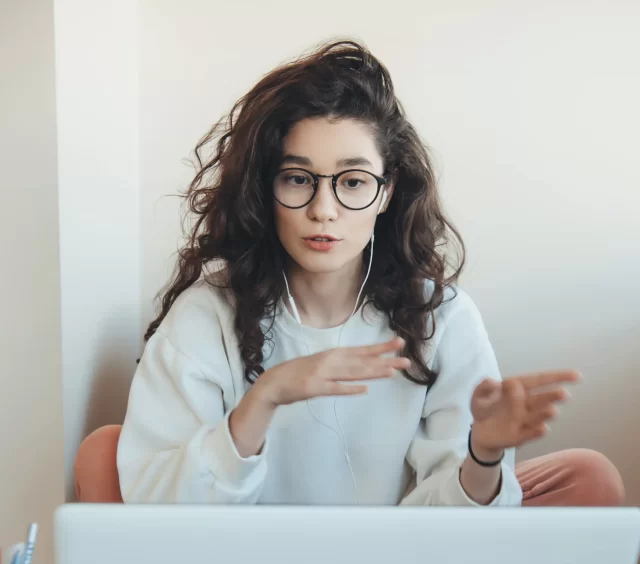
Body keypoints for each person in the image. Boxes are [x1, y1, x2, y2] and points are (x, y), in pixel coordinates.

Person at [81, 40, 624, 508]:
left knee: (588, 477)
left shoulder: (441, 315)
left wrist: (484, 451)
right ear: (264, 188)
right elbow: (161, 512)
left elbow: (451, 531)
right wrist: (263, 398)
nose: (324, 210)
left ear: (386, 193)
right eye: (298, 179)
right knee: (103, 454)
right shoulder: (207, 314)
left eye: (353, 181)